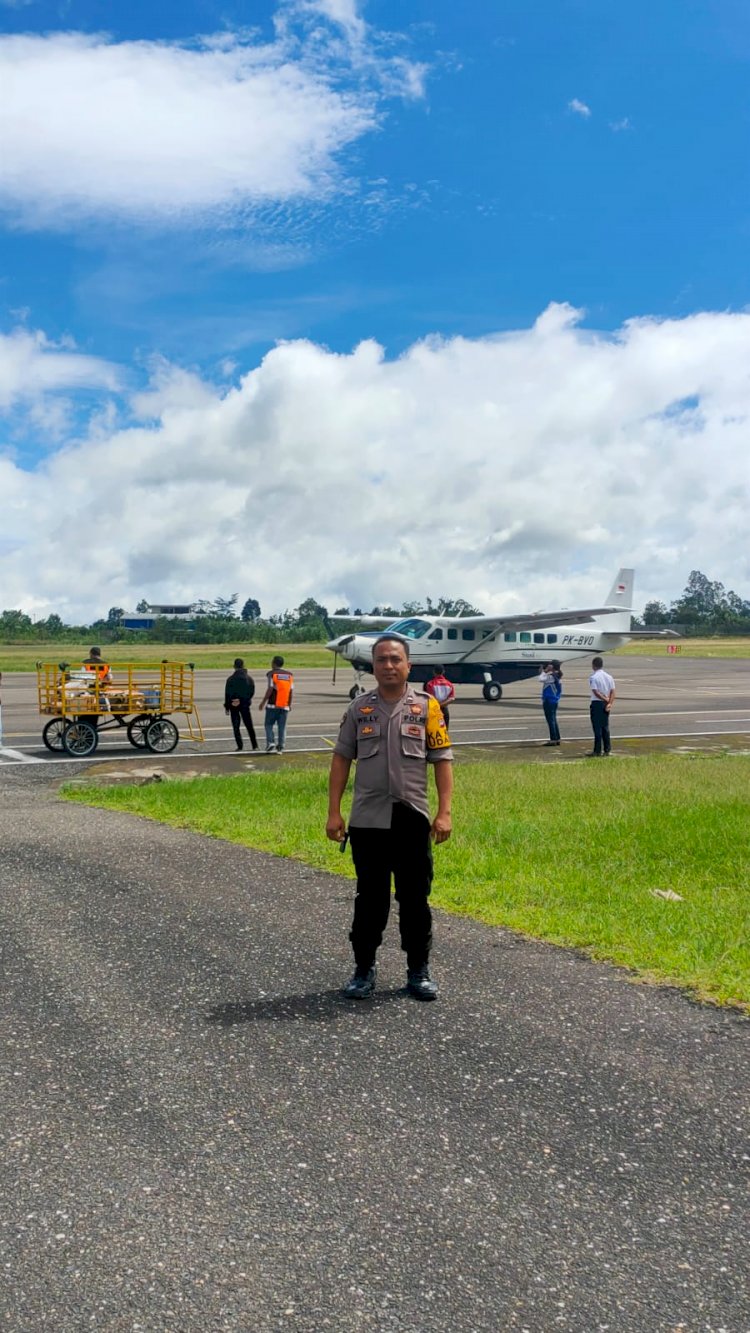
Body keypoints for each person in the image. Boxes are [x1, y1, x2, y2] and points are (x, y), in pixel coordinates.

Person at [326, 635, 453, 1002]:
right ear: (374, 665)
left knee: (415, 899)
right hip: (367, 821)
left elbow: (442, 761)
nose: (388, 666)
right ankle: (363, 969)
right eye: (381, 660)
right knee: (370, 900)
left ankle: (418, 971)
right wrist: (334, 812)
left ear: (408, 665)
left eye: (395, 659)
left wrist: (444, 813)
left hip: (412, 819)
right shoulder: (358, 709)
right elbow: (341, 760)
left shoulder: (427, 708)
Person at [259, 655, 294, 753]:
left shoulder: (271, 674)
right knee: (282, 727)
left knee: (268, 724)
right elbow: (291, 691)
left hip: (273, 705)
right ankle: (281, 747)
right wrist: (289, 704)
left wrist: (263, 702)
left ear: (274, 663)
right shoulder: (289, 675)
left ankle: (270, 742)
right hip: (285, 705)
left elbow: (270, 688)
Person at [224, 658, 258, 751]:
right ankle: (254, 745)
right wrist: (243, 700)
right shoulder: (249, 678)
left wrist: (228, 705)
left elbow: (227, 693)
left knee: (236, 726)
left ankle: (240, 746)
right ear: (243, 665)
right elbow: (251, 691)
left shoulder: (230, 679)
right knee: (249, 725)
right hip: (245, 704)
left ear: (234, 666)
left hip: (233, 705)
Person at [588, 656, 616, 756]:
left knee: (597, 728)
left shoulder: (593, 677)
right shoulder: (609, 677)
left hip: (597, 703)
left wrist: (605, 699)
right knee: (605, 727)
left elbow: (595, 692)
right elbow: (613, 691)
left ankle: (597, 750)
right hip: (606, 704)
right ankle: (607, 749)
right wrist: (609, 703)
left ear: (593, 665)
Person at [538, 660, 562, 745]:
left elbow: (540, 679)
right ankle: (557, 738)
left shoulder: (552, 677)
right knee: (553, 719)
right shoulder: (557, 676)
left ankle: (553, 739)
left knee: (550, 720)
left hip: (549, 700)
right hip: (554, 700)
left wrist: (544, 671)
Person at [424, 665, 456, 730]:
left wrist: (438, 705)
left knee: (434, 731)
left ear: (434, 672)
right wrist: (442, 704)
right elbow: (452, 698)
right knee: (444, 732)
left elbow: (431, 698)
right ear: (443, 672)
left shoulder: (430, 684)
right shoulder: (449, 684)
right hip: (445, 710)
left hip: (434, 710)